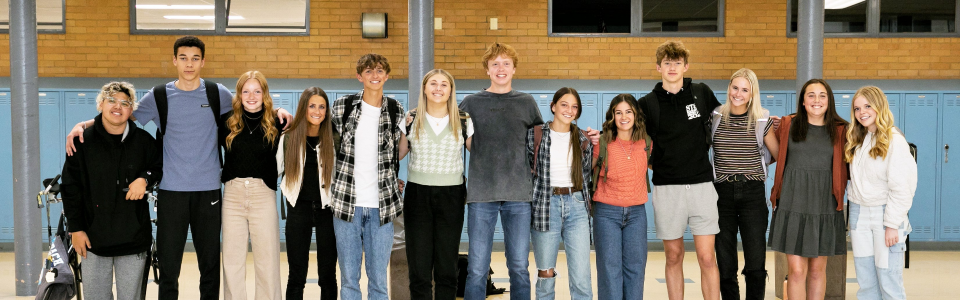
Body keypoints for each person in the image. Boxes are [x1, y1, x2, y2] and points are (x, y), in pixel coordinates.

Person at [64, 36, 293, 300]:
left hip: (208, 193)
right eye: (183, 58)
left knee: (210, 268)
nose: (189, 64)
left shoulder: (216, 93)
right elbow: (119, 113)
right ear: (174, 60)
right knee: (169, 270)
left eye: (195, 58)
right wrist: (83, 125)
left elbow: (249, 106)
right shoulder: (159, 96)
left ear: (203, 62)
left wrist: (281, 110)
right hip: (171, 192)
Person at [636, 40, 722, 300]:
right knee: (674, 255)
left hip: (701, 187)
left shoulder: (701, 93)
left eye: (677, 63)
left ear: (686, 66)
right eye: (667, 63)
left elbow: (725, 123)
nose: (672, 67)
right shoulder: (647, 103)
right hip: (667, 187)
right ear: (658, 67)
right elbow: (640, 146)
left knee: (707, 257)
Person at [60, 81, 162, 300]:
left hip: (134, 241)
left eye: (125, 103)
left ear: (131, 110)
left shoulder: (144, 142)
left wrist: (145, 179)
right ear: (100, 105)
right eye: (112, 101)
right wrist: (76, 230)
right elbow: (70, 188)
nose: (118, 106)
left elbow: (159, 167)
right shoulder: (82, 142)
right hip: (92, 241)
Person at [459, 43, 542, 300]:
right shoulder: (471, 103)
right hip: (482, 195)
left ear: (514, 68)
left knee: (519, 266)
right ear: (487, 70)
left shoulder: (526, 102)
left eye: (506, 63)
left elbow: (541, 142)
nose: (501, 68)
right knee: (477, 267)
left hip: (518, 195)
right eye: (495, 64)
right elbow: (456, 136)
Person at [329, 53, 406, 300]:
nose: (375, 75)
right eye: (369, 71)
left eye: (380, 70)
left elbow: (398, 152)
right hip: (346, 202)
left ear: (387, 76)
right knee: (349, 279)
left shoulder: (395, 109)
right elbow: (328, 147)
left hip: (381, 206)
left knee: (378, 280)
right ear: (359, 76)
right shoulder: (343, 106)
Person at [767, 79, 849, 300]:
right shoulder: (787, 125)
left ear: (829, 101)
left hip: (825, 208)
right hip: (792, 206)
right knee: (796, 271)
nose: (816, 100)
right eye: (811, 95)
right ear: (803, 101)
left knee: (816, 271)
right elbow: (771, 153)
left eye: (822, 95)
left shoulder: (842, 131)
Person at [397, 69, 473, 300]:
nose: (438, 88)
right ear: (424, 88)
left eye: (444, 84)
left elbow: (482, 157)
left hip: (452, 195)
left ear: (451, 91)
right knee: (419, 267)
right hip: (418, 196)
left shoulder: (463, 120)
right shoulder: (410, 119)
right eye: (433, 83)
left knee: (447, 266)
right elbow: (393, 157)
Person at [709, 68, 775, 300]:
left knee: (755, 262)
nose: (738, 93)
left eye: (744, 90)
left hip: (752, 194)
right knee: (725, 263)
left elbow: (776, 153)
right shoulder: (715, 116)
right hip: (722, 195)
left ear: (752, 93)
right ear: (729, 88)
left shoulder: (761, 119)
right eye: (735, 87)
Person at [845, 86, 917, 300]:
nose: (862, 112)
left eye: (867, 106)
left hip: (885, 215)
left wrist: (892, 224)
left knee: (889, 282)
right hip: (859, 214)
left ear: (880, 106)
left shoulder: (894, 139)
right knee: (866, 283)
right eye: (857, 108)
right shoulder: (860, 139)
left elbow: (903, 186)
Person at [219, 70, 284, 300]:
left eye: (257, 91)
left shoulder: (278, 121)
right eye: (246, 91)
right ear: (239, 94)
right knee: (232, 261)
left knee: (267, 260)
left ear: (264, 94)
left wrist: (280, 111)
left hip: (263, 193)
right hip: (233, 194)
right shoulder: (227, 121)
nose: (251, 96)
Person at [527, 87, 593, 300]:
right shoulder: (535, 135)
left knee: (581, 275)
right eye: (564, 104)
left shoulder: (583, 139)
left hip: (577, 205)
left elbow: (588, 175)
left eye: (574, 107)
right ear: (553, 106)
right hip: (546, 205)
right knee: (546, 272)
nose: (569, 110)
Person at [278, 87, 339, 300]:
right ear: (304, 108)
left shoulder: (334, 138)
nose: (317, 111)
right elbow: (273, 170)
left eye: (322, 106)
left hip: (327, 212)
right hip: (298, 210)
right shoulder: (288, 138)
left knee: (327, 276)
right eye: (312, 105)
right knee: (296, 275)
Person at [591, 94, 651, 300]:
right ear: (612, 116)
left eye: (628, 112)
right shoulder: (602, 142)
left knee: (636, 268)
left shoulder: (647, 143)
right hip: (606, 213)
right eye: (618, 112)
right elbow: (585, 171)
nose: (624, 117)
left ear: (636, 115)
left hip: (637, 213)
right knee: (609, 269)